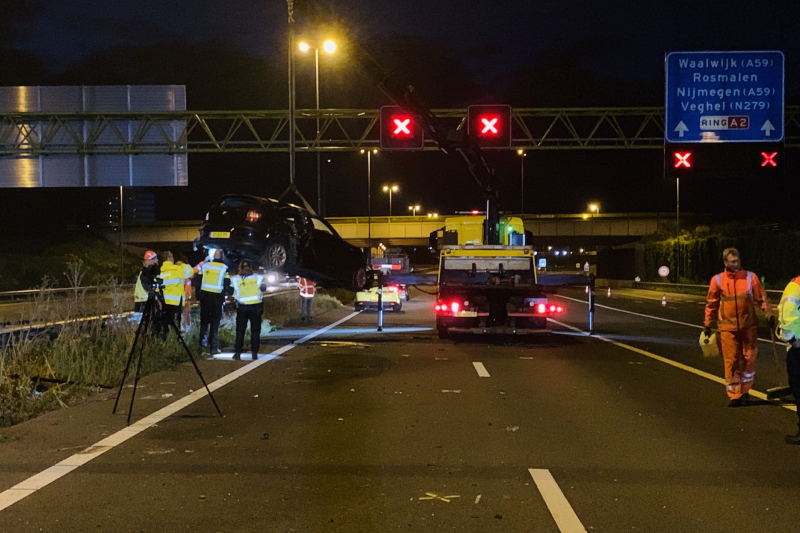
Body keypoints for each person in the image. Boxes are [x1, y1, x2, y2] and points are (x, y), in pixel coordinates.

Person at [704, 247, 772, 407]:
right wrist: (707, 323)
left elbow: (761, 298)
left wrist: (769, 314)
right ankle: (735, 395)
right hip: (727, 328)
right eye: (733, 261)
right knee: (732, 360)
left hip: (748, 326)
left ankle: (745, 390)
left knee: (749, 359)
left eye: (738, 260)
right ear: (726, 263)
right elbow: (712, 303)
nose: (736, 263)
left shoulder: (750, 277)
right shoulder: (718, 280)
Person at [776, 276, 800, 444]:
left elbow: (787, 313)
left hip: (799, 347)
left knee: (798, 388)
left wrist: (791, 339)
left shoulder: (795, 285)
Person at [230, 260, 266, 361]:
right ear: (251, 268)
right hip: (256, 307)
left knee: (240, 331)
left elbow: (231, 292)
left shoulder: (235, 279)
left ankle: (237, 353)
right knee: (255, 331)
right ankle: (254, 353)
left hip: (242, 307)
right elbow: (263, 288)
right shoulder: (258, 277)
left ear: (240, 268)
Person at [198, 250, 230, 355]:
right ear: (222, 257)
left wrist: (198, 296)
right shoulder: (224, 268)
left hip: (205, 297)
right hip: (217, 298)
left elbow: (198, 280)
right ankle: (213, 348)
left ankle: (201, 348)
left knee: (204, 322)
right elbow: (226, 284)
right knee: (214, 323)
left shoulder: (205, 266)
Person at [158, 252, 193, 338]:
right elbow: (191, 272)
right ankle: (175, 341)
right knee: (175, 326)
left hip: (163, 303)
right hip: (175, 302)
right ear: (169, 258)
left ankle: (164, 341)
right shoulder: (176, 269)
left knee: (165, 324)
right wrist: (183, 264)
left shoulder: (160, 270)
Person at [134, 250, 160, 315]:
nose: (157, 260)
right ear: (151, 260)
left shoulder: (148, 273)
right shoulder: (145, 274)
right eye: (155, 258)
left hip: (144, 302)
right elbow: (148, 287)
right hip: (144, 303)